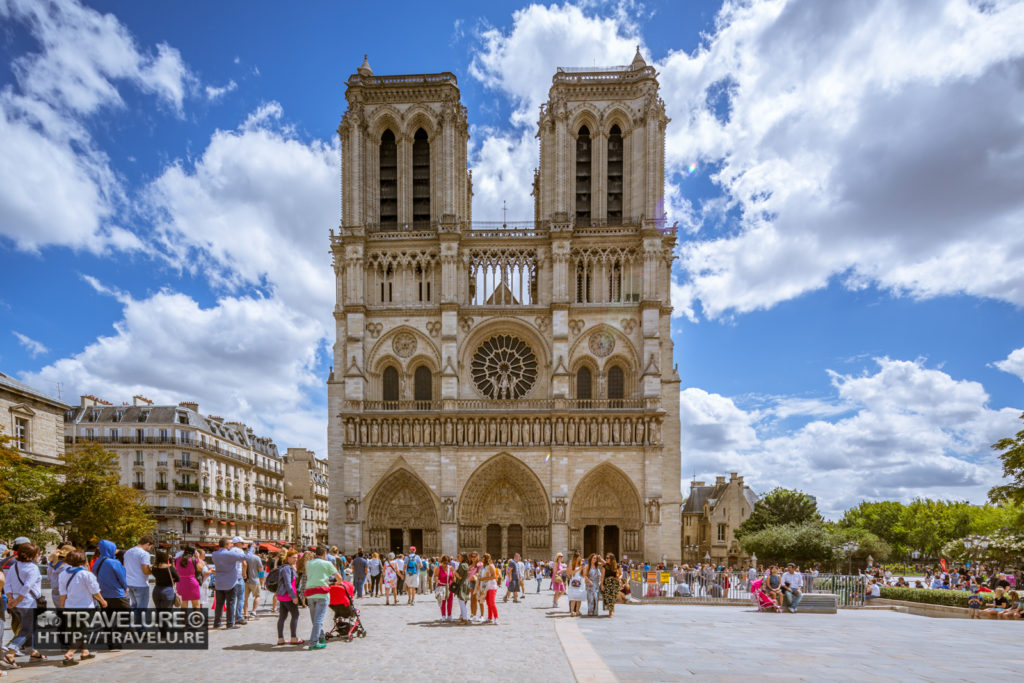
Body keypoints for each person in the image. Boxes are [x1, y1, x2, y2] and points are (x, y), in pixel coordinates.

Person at [56, 548, 106, 667]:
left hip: (69, 606)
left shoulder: (63, 574)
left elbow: (62, 593)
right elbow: (95, 591)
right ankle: (70, 653)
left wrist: (62, 606)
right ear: (83, 561)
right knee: (82, 631)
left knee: (74, 631)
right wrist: (103, 601)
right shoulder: (86, 574)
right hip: (85, 607)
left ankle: (85, 652)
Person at [4, 543, 46, 663]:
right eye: (37, 553)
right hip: (28, 602)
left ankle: (34, 652)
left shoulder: (15, 566)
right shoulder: (32, 568)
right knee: (27, 629)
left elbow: (8, 584)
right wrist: (17, 600)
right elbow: (27, 586)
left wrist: (11, 599)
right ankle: (11, 652)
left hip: (16, 604)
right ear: (32, 555)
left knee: (28, 627)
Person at [303, 546, 343, 649]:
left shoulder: (308, 564)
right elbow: (339, 578)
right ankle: (313, 643)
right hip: (322, 593)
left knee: (314, 619)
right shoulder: (327, 563)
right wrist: (334, 583)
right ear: (324, 554)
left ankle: (320, 637)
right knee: (319, 619)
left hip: (310, 593)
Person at [211, 537, 246, 629]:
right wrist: (252, 548)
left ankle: (217, 623)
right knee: (230, 603)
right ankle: (230, 624)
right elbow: (245, 558)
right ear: (226, 545)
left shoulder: (214, 554)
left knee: (219, 604)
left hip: (219, 582)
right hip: (230, 583)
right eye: (229, 544)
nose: (230, 545)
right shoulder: (230, 554)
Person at [274, 550, 304, 645]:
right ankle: (294, 638)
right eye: (293, 557)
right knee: (295, 615)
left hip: (282, 596)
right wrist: (293, 597)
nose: (296, 559)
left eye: (296, 557)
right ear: (288, 558)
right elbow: (288, 583)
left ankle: (280, 639)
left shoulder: (287, 567)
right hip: (288, 596)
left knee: (282, 617)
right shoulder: (287, 568)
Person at [123, 535, 154, 609]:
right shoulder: (144, 554)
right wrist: (153, 570)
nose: (150, 549)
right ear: (148, 544)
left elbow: (124, 567)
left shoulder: (128, 552)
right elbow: (145, 571)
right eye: (150, 547)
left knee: (133, 608)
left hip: (129, 583)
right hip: (140, 585)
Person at [243, 542, 263, 621]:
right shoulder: (256, 558)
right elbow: (261, 570)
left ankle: (245, 612)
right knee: (257, 596)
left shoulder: (244, 557)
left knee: (245, 598)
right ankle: (254, 611)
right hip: (255, 580)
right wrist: (261, 580)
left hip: (245, 580)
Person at [480, 553, 499, 624]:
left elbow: (494, 576)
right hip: (486, 587)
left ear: (485, 558)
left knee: (492, 603)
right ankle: (490, 618)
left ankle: (496, 618)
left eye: (482, 557)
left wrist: (484, 578)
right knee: (488, 603)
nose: (481, 559)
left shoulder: (491, 566)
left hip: (491, 586)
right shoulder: (484, 566)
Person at [453, 552, 470, 624]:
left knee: (462, 602)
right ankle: (463, 618)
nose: (457, 557)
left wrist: (453, 571)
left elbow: (460, 576)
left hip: (462, 584)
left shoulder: (463, 565)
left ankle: (465, 618)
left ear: (463, 557)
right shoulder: (463, 564)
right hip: (463, 584)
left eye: (459, 556)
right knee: (461, 602)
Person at [601, 554, 620, 618]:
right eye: (606, 558)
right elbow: (602, 576)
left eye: (607, 558)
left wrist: (618, 579)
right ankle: (610, 612)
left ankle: (611, 611)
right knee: (608, 598)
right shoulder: (604, 566)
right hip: (607, 584)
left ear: (612, 559)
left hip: (614, 584)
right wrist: (602, 585)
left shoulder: (617, 566)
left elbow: (620, 574)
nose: (606, 559)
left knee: (613, 598)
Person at [436, 554, 454, 621]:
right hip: (442, 586)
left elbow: (453, 577)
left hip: (449, 587)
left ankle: (449, 615)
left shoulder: (450, 568)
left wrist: (453, 573)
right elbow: (435, 576)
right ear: (441, 562)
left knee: (450, 601)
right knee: (443, 601)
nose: (445, 564)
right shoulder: (439, 568)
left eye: (447, 563)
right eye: (444, 563)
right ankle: (443, 615)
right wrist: (436, 580)